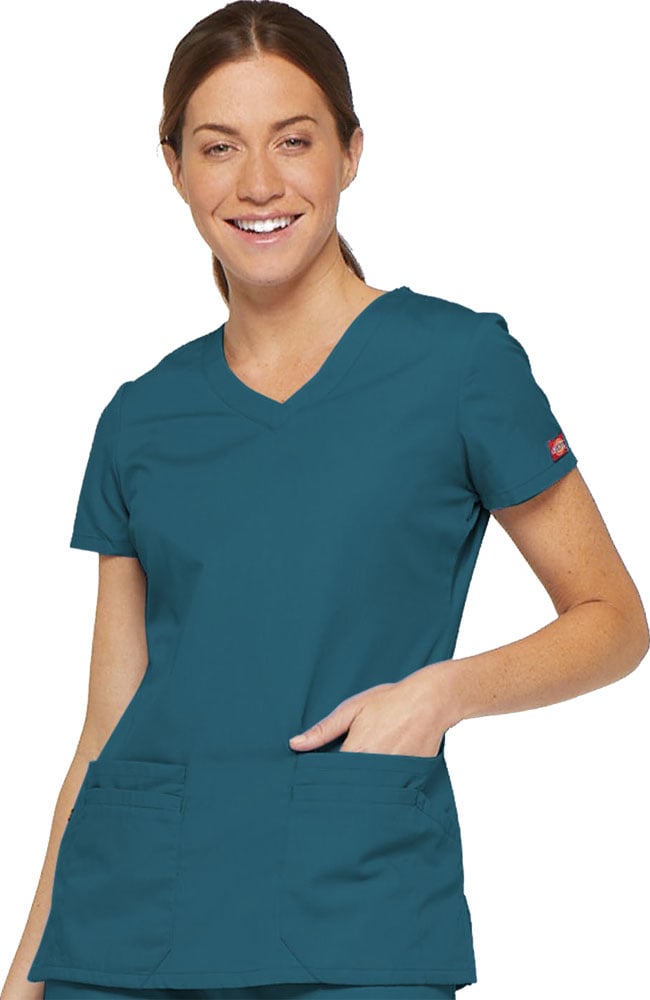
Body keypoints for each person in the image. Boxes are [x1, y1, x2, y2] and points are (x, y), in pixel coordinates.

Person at [3, 1, 647, 999]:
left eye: (294, 140)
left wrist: (439, 693)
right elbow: (106, 724)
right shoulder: (140, 417)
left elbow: (612, 619)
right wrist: (27, 968)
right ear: (173, 166)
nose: (259, 183)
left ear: (350, 152)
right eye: (219, 147)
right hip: (122, 933)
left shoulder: (459, 365)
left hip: (352, 921)